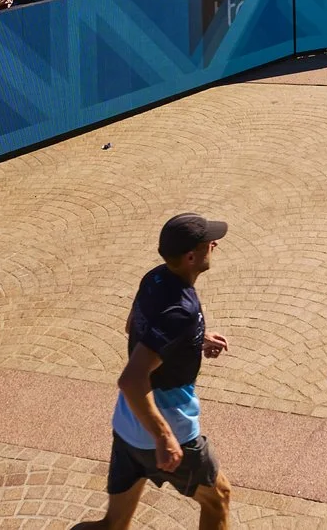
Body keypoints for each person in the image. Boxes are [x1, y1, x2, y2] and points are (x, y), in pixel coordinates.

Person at [87, 212, 234, 530]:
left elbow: (134, 327)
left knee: (113, 525)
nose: (215, 245)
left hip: (127, 426)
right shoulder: (181, 310)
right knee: (218, 498)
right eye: (209, 243)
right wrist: (164, 438)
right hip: (170, 430)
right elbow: (131, 379)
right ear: (191, 256)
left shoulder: (154, 278)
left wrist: (194, 339)